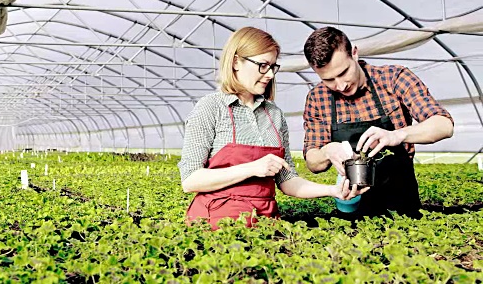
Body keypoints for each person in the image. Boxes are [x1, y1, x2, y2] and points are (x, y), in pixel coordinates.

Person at [178, 27, 365, 230]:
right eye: (262, 66)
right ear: (235, 62)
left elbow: (288, 180)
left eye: (272, 67)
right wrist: (253, 168)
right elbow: (190, 180)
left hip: (265, 222)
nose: (269, 75)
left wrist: (333, 190)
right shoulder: (211, 107)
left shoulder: (274, 114)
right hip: (216, 225)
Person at [302, 27, 454, 218]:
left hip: (401, 203)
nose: (340, 85)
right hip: (351, 204)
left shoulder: (393, 78)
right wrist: (327, 150)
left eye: (343, 73)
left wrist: (397, 135)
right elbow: (313, 162)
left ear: (354, 54)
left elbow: (444, 125)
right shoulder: (318, 98)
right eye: (329, 80)